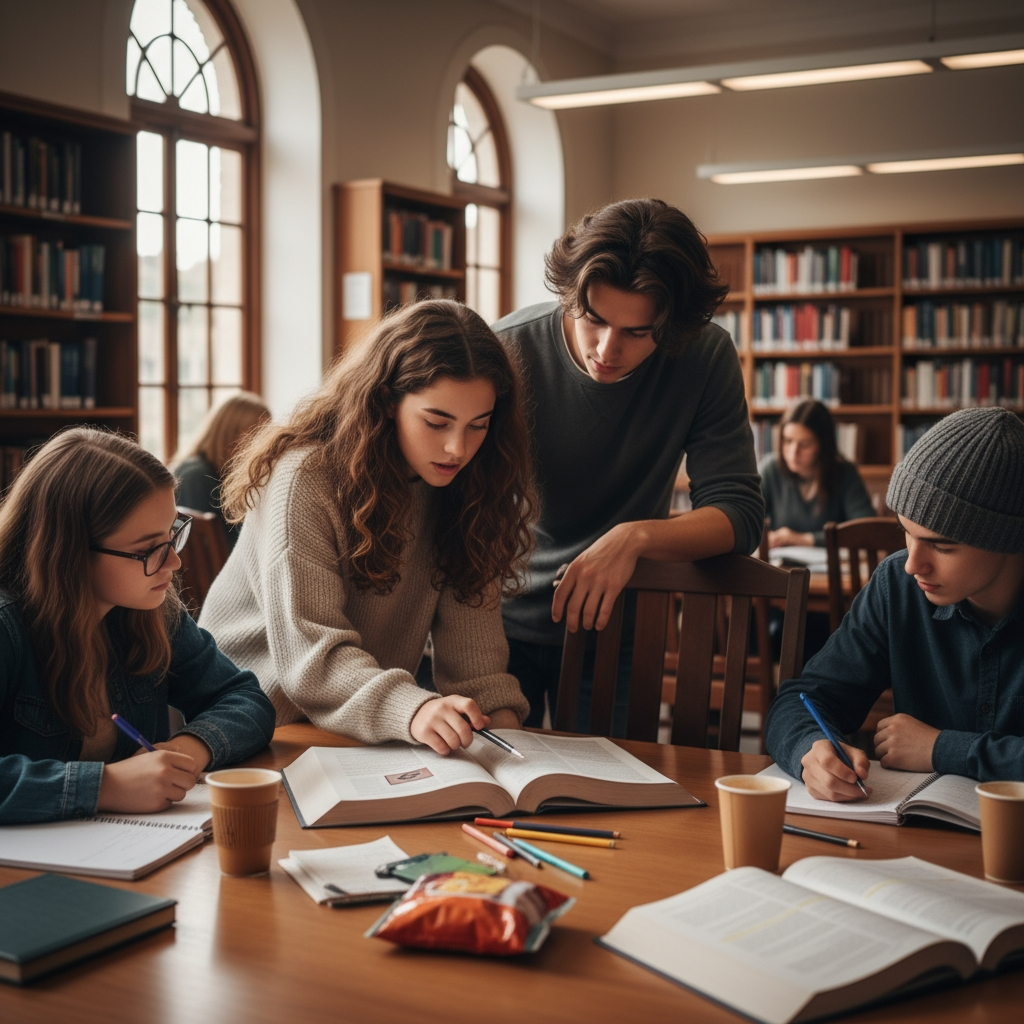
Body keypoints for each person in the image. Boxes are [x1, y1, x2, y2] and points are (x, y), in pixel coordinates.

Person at [199, 300, 535, 756]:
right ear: (385, 402)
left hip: (356, 728)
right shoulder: (306, 479)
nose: (457, 448)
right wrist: (414, 711)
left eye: (478, 426)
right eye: (436, 422)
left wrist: (512, 748)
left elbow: (477, 668)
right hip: (254, 726)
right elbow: (311, 662)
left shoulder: (467, 488)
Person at [492, 198, 765, 730]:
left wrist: (634, 538)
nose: (607, 350)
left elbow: (739, 514)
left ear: (675, 325)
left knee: (607, 799)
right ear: (570, 295)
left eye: (638, 333)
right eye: (592, 320)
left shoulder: (705, 357)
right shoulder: (506, 348)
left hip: (616, 625)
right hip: (493, 625)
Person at [0, 428, 275, 825]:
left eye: (172, 535)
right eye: (147, 550)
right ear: (68, 552)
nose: (174, 563)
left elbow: (244, 697)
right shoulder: (8, 626)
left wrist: (187, 749)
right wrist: (105, 785)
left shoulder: (151, 613)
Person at [765, 407, 1024, 799]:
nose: (913, 565)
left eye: (941, 545)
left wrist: (943, 749)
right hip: (920, 837)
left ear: (1007, 540)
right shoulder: (898, 586)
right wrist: (810, 751)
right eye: (906, 532)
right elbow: (802, 700)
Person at [760, 399, 875, 551]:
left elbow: (866, 530)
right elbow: (747, 519)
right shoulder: (771, 469)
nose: (793, 453)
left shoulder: (844, 472)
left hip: (831, 571)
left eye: (805, 444)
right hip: (782, 569)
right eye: (788, 441)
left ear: (823, 445)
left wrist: (803, 539)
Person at [171, 391, 270, 550]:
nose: (265, 441)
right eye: (256, 431)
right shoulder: (197, 476)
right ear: (229, 432)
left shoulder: (224, 475)